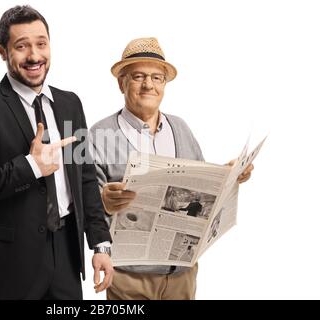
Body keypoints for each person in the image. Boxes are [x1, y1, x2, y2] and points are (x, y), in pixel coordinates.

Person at [0, 5, 113, 300]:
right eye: (21, 46)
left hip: (66, 256)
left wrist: (100, 244)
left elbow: (85, 177)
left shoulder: (69, 104)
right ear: (2, 51)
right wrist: (31, 166)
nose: (34, 56)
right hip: (11, 265)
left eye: (41, 43)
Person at [89, 37, 254, 300]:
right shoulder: (99, 134)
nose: (148, 85)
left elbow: (201, 187)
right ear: (121, 83)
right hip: (128, 276)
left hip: (182, 275)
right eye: (138, 76)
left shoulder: (181, 128)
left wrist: (230, 175)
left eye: (157, 78)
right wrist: (103, 201)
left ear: (164, 84)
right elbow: (83, 205)